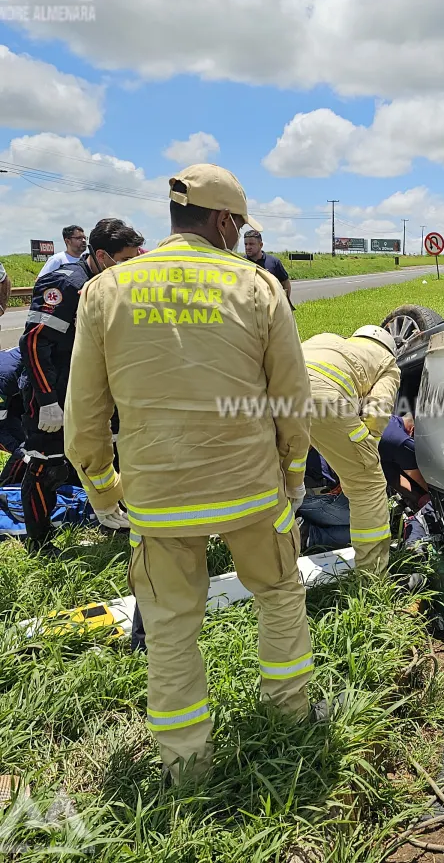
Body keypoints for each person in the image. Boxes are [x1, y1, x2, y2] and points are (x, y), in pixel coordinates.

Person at [64, 163, 316, 784]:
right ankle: (291, 717)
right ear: (225, 220)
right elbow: (291, 396)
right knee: (279, 596)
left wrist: (102, 487)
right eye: (238, 225)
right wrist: (294, 472)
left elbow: (86, 412)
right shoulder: (257, 287)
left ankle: (186, 769)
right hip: (252, 486)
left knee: (173, 628)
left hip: (158, 496)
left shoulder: (105, 290)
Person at [19, 219, 143, 553]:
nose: (132, 266)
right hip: (55, 391)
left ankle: (114, 517)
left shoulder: (115, 287)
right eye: (127, 260)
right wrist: (46, 399)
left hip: (96, 391)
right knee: (48, 464)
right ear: (103, 256)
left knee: (110, 454)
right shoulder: (67, 285)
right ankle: (40, 543)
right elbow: (33, 343)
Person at [302, 326, 400, 574]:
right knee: (368, 485)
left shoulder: (327, 338)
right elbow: (376, 415)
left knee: (279, 479)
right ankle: (373, 575)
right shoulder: (387, 363)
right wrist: (364, 455)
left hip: (271, 394)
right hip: (324, 400)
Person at [0, 348, 26, 485]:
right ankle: (6, 485)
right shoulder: (5, 378)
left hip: (14, 398)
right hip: (7, 393)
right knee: (23, 447)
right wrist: (20, 452)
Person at [244, 230, 292, 304]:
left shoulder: (274, 262)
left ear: (261, 245)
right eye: (246, 244)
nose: (248, 247)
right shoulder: (241, 262)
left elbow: (285, 282)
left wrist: (285, 302)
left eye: (251, 244)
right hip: (248, 307)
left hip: (270, 307)